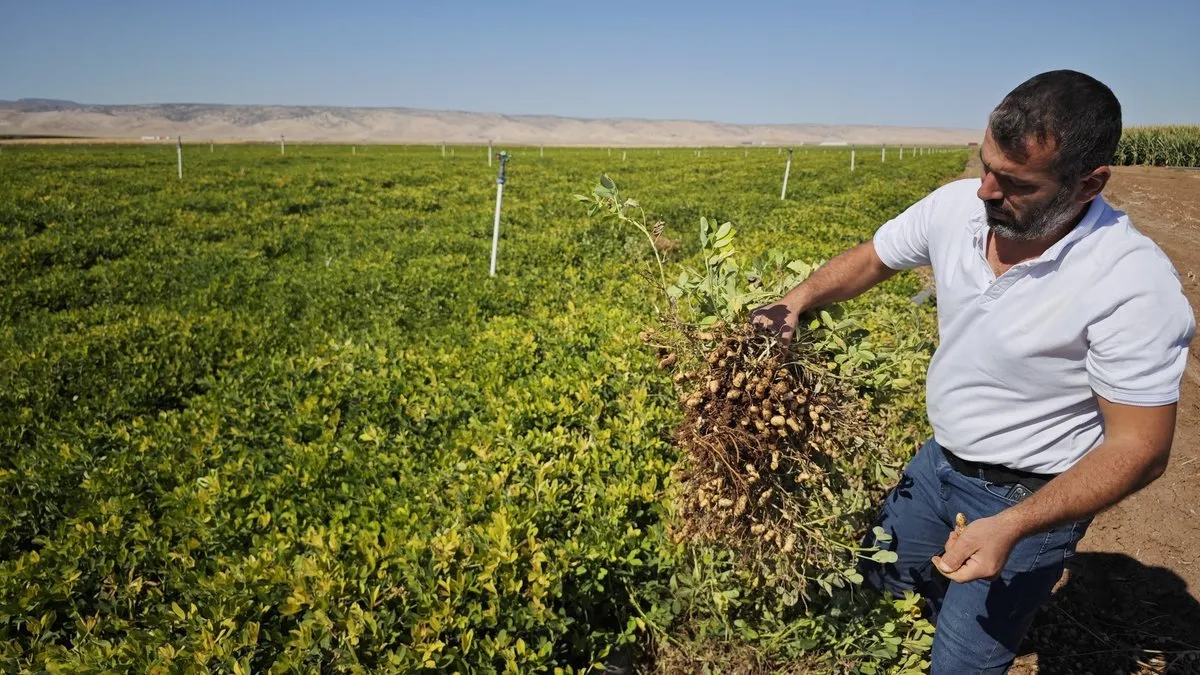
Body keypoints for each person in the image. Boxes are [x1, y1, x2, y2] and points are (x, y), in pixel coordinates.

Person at [750, 70, 1195, 673]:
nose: (985, 190)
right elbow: (873, 258)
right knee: (874, 597)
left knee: (961, 663)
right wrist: (798, 298)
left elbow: (1140, 448)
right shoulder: (957, 207)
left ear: (1088, 184)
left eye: (1014, 182)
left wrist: (1012, 525)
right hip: (935, 462)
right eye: (985, 164)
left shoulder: (1132, 284)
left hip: (1029, 496)